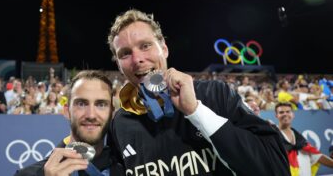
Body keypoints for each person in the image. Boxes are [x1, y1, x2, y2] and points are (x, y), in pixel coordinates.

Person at [107, 9, 290, 176]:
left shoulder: (215, 94)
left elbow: (275, 168)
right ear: (119, 66)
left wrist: (196, 111)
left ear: (164, 49)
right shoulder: (120, 124)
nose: (137, 59)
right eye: (125, 53)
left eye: (145, 45)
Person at [15, 70, 124, 176]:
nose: (91, 115)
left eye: (101, 105)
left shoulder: (127, 171)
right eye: (81, 104)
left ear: (112, 113)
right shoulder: (28, 174)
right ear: (67, 111)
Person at [275, 102, 333, 176]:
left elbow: (318, 157)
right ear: (276, 115)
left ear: (293, 115)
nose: (285, 114)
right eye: (281, 112)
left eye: (288, 111)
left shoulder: (300, 139)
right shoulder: (273, 137)